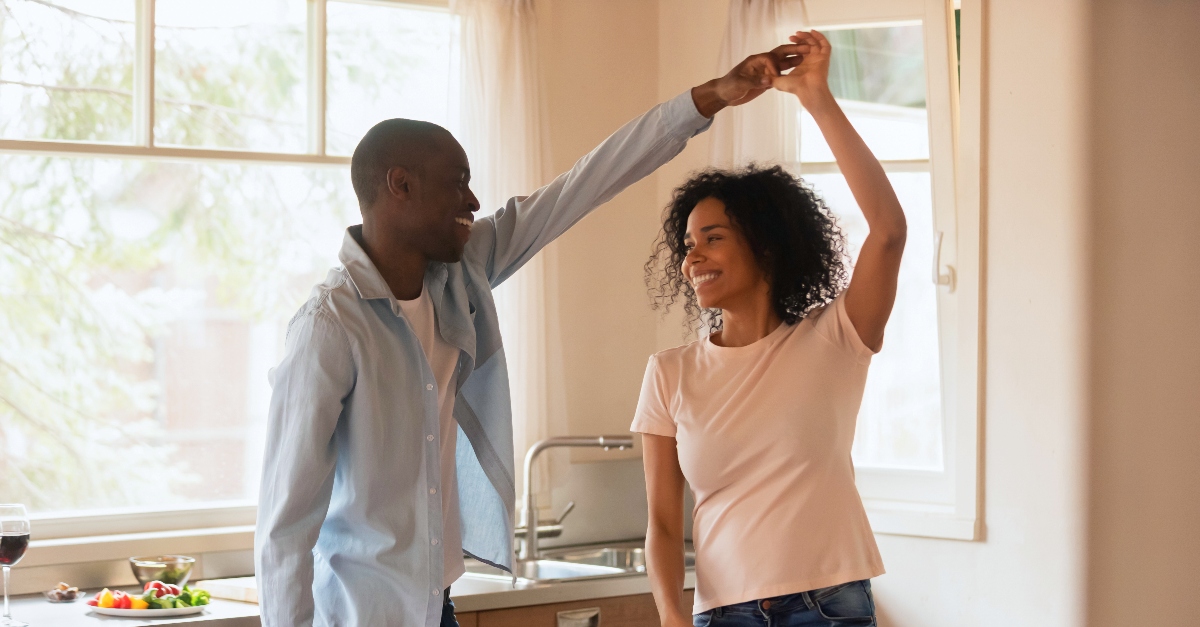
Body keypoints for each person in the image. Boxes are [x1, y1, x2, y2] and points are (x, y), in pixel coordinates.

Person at [254, 40, 814, 627]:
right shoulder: (330, 325)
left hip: (435, 607)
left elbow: (582, 185)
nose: (472, 200)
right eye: (458, 181)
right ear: (400, 185)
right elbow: (285, 525)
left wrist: (709, 99)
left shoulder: (463, 272)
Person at [635, 31, 907, 627]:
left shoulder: (837, 338)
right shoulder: (669, 374)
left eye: (713, 238)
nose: (693, 258)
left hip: (827, 605)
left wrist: (816, 100)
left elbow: (887, 230)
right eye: (687, 245)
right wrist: (671, 619)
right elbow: (660, 522)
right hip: (720, 614)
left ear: (765, 244)